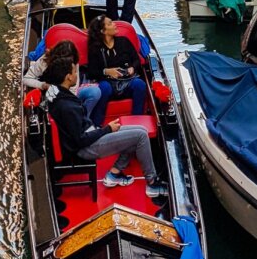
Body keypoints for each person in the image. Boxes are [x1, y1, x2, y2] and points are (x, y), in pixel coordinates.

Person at [45, 55, 167, 196]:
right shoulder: (67, 107)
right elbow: (81, 139)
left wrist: (104, 130)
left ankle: (114, 174)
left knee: (140, 130)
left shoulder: (59, 95)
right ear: (68, 77)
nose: (76, 74)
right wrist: (107, 129)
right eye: (74, 72)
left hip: (90, 136)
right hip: (86, 148)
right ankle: (152, 184)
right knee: (140, 136)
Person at [24, 39, 104, 123]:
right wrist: (43, 85)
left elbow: (74, 89)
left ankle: (82, 121)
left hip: (70, 94)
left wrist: (71, 104)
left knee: (95, 92)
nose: (70, 66)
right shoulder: (44, 61)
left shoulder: (74, 62)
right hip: (50, 96)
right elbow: (26, 79)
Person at [86, 15, 147, 116]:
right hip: (108, 83)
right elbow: (91, 72)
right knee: (104, 88)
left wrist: (132, 68)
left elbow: (136, 60)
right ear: (103, 31)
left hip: (128, 81)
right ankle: (97, 124)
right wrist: (106, 71)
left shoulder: (124, 41)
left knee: (140, 84)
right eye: (110, 23)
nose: (115, 24)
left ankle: (137, 119)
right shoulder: (95, 49)